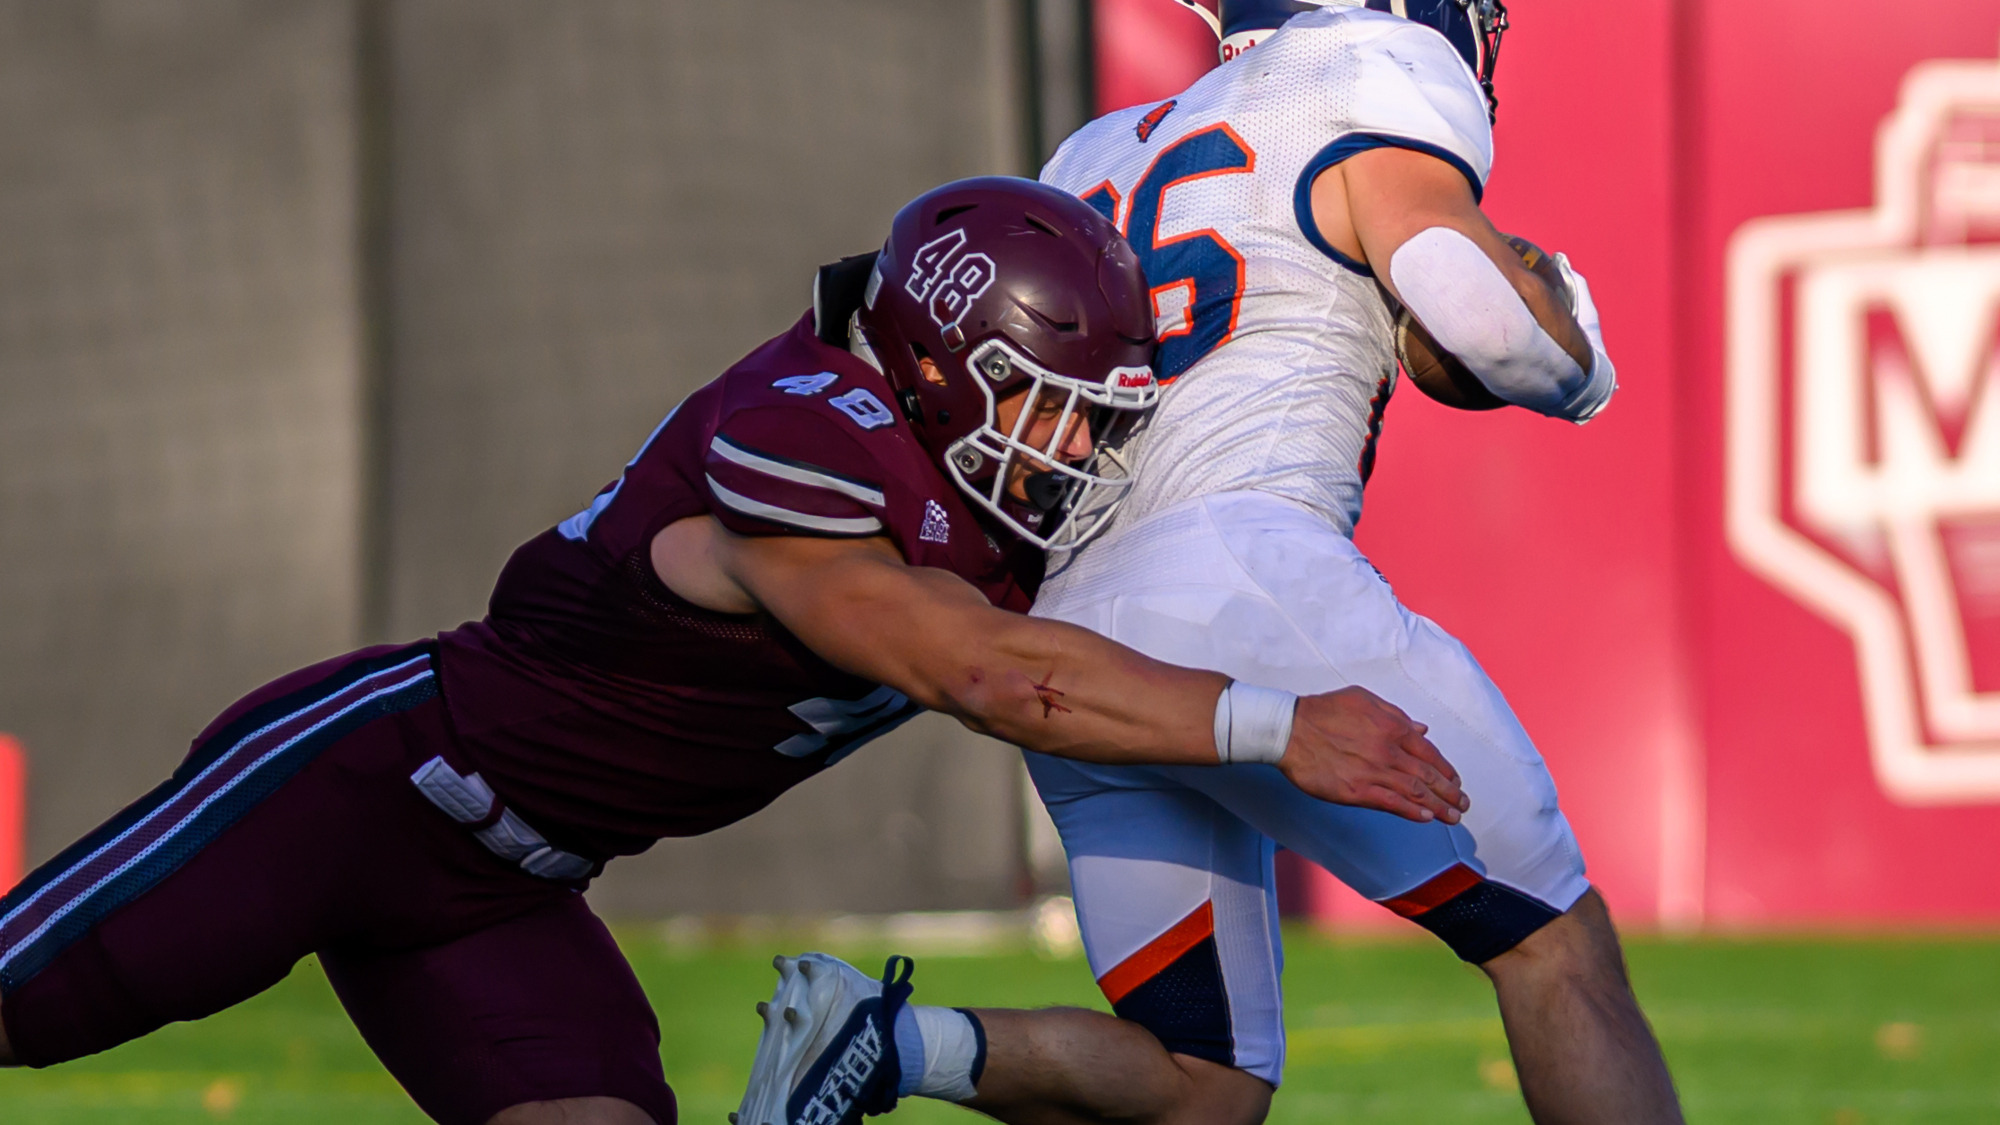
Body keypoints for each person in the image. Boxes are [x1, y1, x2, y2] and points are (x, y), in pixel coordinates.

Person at [0, 176, 1471, 1125]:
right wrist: (1278, 721)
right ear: (948, 366)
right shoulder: (806, 447)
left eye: (1096, 416)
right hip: (357, 788)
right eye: (1052, 406)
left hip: (507, 889)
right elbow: (987, 674)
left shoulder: (968, 468)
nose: (1079, 447)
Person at [741, 4, 1684, 1125]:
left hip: (1077, 631)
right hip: (1247, 576)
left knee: (1201, 1083)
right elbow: (1472, 314)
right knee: (1550, 945)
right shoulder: (1367, 62)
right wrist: (1575, 358)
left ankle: (888, 1046)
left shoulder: (1095, 150)